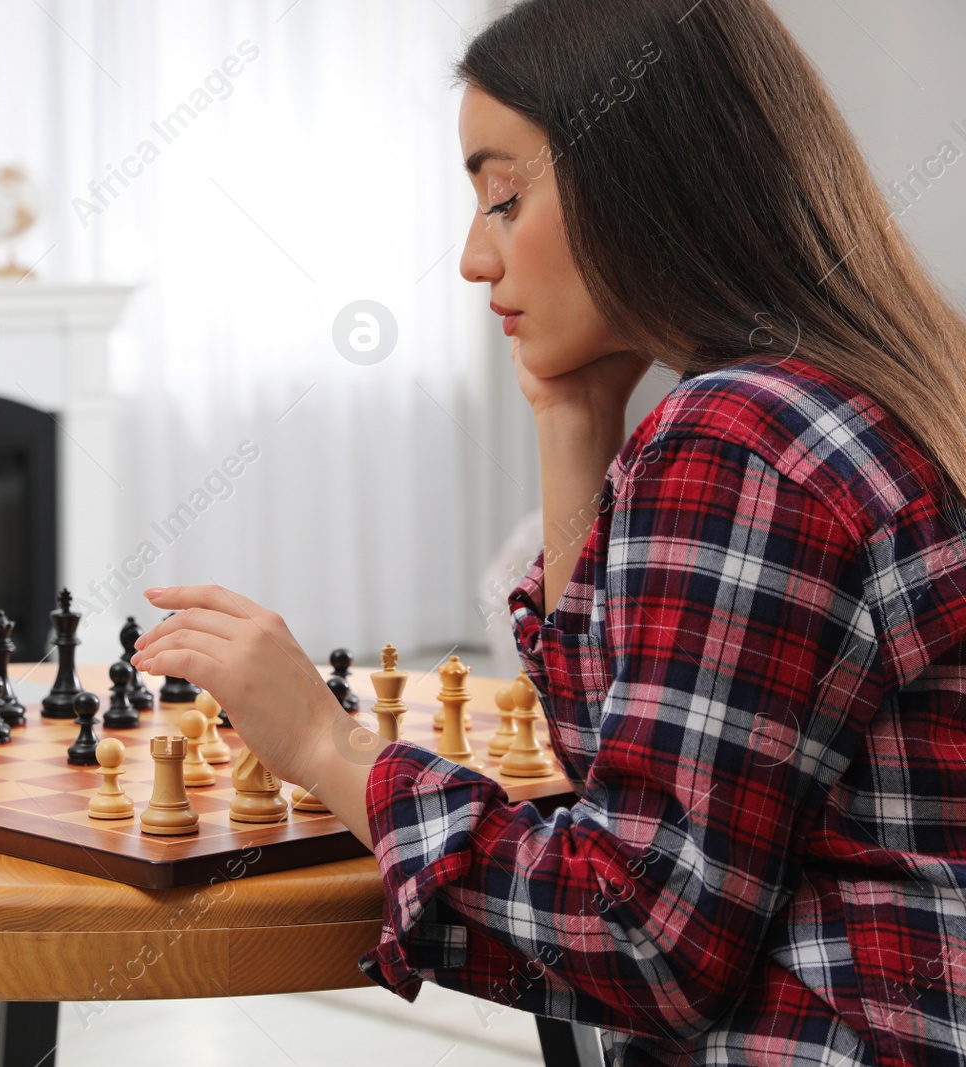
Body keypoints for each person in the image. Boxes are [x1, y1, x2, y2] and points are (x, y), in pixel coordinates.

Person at [131, 0, 966, 1063]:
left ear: (646, 175)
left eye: (502, 197)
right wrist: (572, 421)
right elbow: (623, 758)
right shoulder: (853, 391)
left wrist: (325, 742)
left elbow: (640, 936)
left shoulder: (740, 440)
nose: (475, 260)